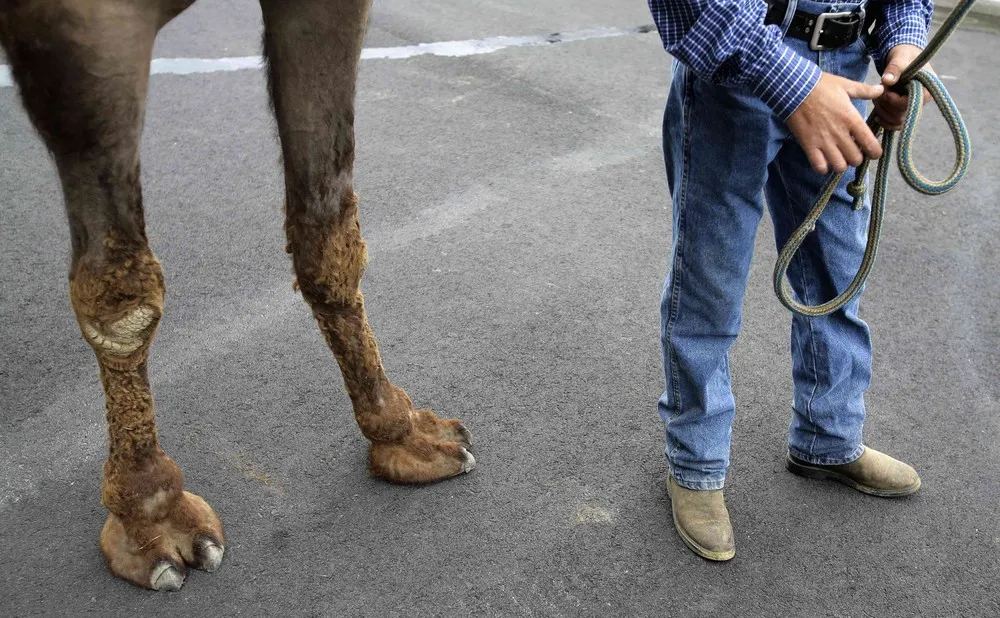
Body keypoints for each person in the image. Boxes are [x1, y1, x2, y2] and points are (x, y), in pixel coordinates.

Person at [648, 0, 933, 561]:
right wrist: (795, 83)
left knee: (836, 275)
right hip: (738, 66)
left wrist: (903, 44)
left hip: (847, 65)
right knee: (709, 285)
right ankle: (696, 466)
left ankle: (827, 438)